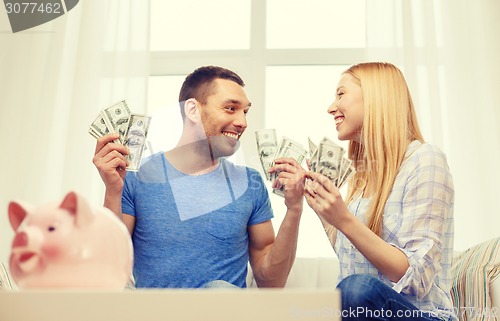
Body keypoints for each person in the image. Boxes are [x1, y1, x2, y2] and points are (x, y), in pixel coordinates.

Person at [93, 66, 305, 288]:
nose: (243, 122)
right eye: (231, 108)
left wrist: (294, 209)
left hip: (224, 311)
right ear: (192, 110)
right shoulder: (137, 177)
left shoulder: (249, 184)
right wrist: (113, 190)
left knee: (220, 290)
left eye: (245, 112)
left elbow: (272, 282)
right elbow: (109, 267)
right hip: (160, 314)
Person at [304, 62, 457, 321]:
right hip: (368, 312)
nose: (331, 107)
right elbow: (354, 258)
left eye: (341, 94)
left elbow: (415, 277)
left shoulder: (425, 159)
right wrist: (322, 209)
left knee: (355, 289)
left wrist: (344, 219)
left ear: (376, 98)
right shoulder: (363, 174)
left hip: (424, 315)